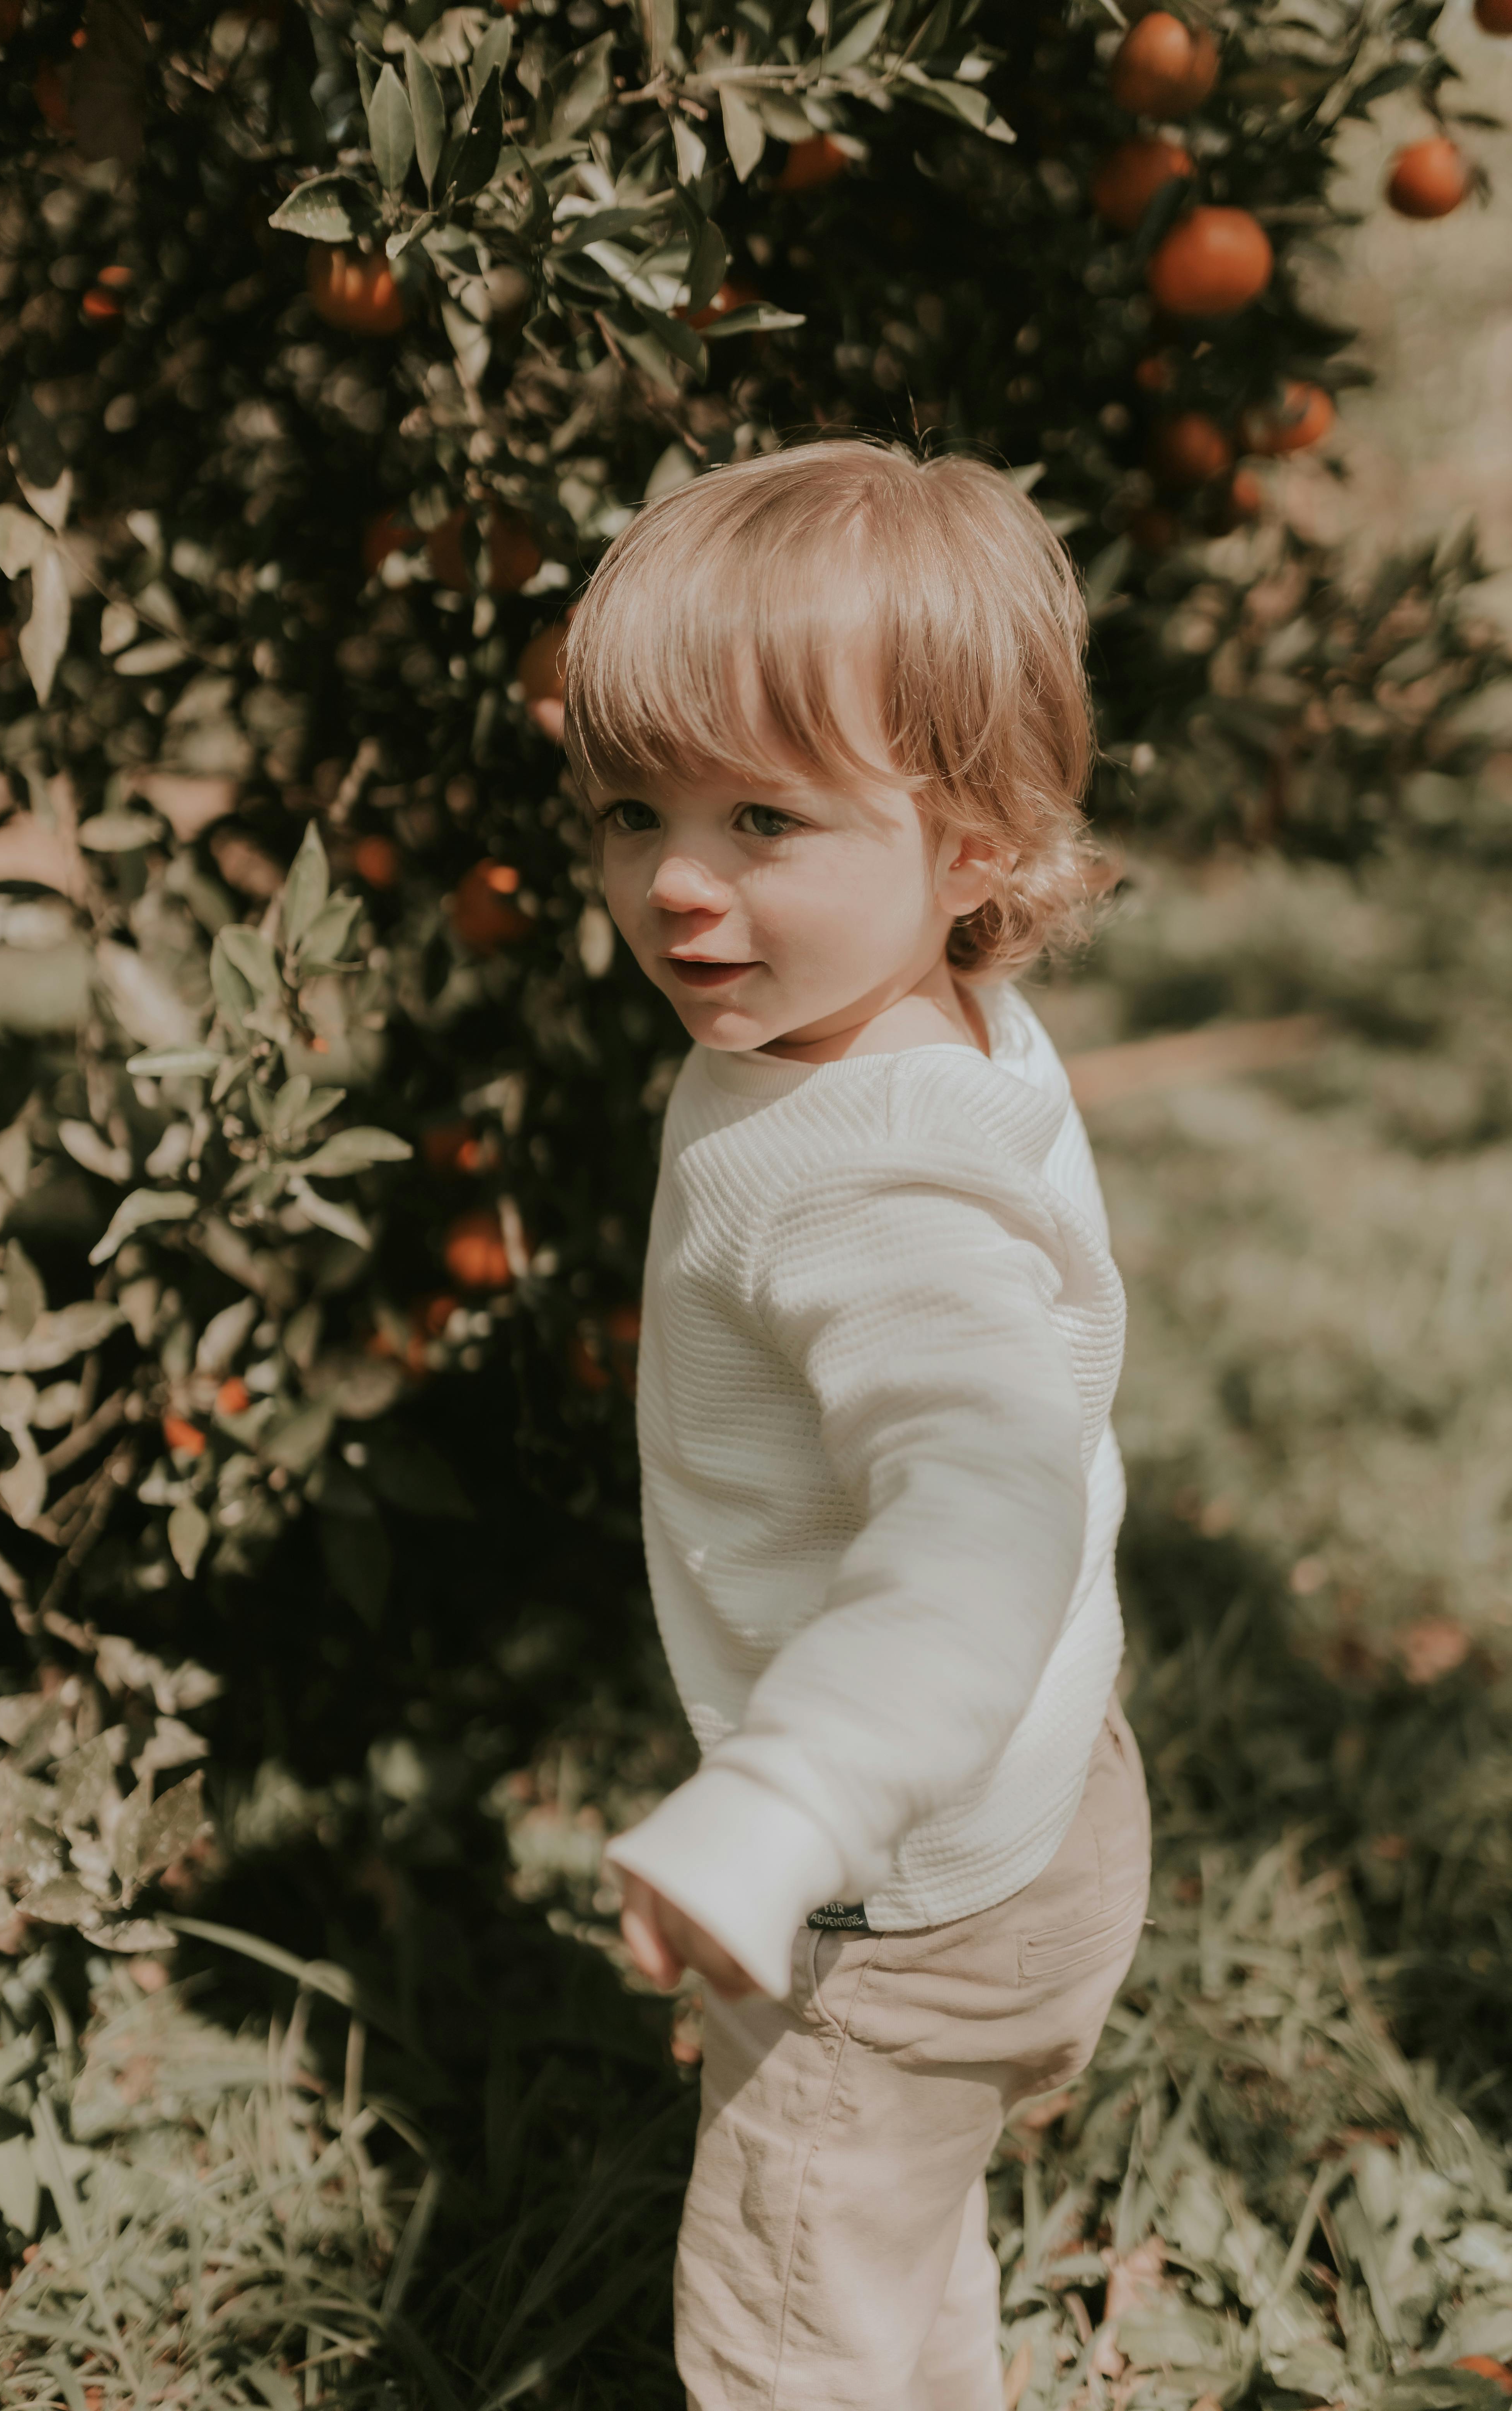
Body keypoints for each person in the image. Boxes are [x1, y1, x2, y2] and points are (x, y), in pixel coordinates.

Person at [561, 439, 1150, 2411]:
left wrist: (781, 1803)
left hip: (882, 1897)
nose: (674, 883)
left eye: (760, 818)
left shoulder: (861, 1181)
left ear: (972, 845)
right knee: (891, 2259)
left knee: (786, 2334)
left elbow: (977, 1509)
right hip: (1037, 1797)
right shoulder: (937, 1015)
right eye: (627, 808)